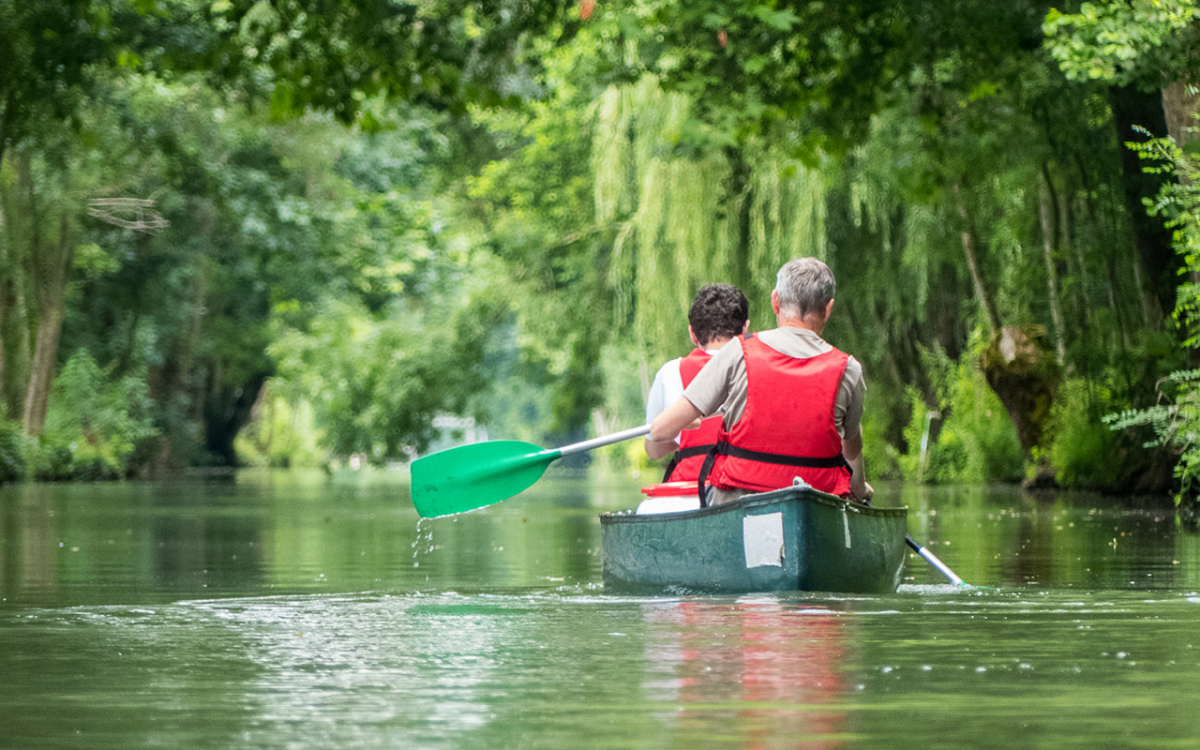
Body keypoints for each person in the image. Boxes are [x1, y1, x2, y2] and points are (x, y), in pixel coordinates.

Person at [648, 258, 873, 505]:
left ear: (775, 301)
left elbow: (659, 431)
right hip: (814, 505)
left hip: (739, 504)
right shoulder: (849, 369)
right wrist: (860, 491)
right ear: (828, 308)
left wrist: (686, 424)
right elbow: (851, 451)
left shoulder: (738, 351)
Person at [644, 283, 749, 483]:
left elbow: (654, 450)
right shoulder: (759, 368)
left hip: (690, 488)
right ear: (745, 329)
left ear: (692, 333)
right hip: (743, 484)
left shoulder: (670, 372)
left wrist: (678, 435)